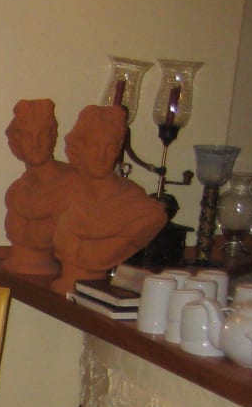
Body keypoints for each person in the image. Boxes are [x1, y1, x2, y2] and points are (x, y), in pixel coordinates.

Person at [51, 105, 167, 294]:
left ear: (118, 149)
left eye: (109, 146)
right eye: (94, 146)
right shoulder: (63, 192)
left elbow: (153, 219)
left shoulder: (135, 203)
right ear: (80, 148)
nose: (101, 155)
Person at [2, 99, 76, 277]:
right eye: (28, 136)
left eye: (42, 135)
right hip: (15, 270)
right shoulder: (15, 192)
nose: (35, 143)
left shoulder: (72, 186)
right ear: (17, 141)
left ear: (53, 137)